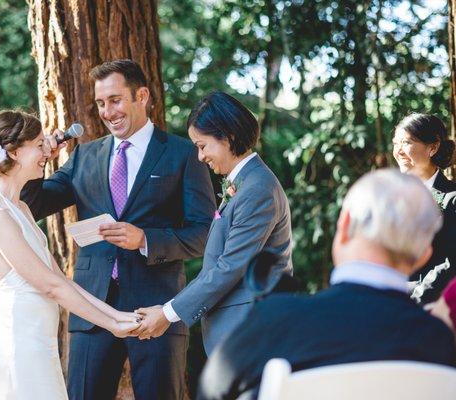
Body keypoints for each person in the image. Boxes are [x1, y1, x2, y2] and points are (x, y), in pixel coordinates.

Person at [21, 59, 216, 400]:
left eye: (115, 100)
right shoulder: (84, 157)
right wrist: (39, 161)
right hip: (91, 308)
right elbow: (31, 205)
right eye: (100, 103)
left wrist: (146, 239)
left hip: (155, 311)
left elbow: (204, 234)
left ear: (142, 96)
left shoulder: (183, 154)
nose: (108, 112)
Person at [198, 169, 456, 400]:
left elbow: (210, 393)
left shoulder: (275, 320)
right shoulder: (440, 343)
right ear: (424, 254)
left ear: (343, 226)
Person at [0, 110, 139, 399]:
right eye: (38, 144)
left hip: (40, 341)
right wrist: (112, 326)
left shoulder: (20, 208)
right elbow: (51, 287)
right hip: (21, 344)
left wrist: (119, 316)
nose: (45, 151)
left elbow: (61, 280)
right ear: (13, 152)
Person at [135, 91, 293, 355]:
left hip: (252, 333)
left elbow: (229, 267)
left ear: (228, 137)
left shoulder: (257, 190)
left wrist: (168, 313)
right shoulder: (245, 184)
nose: (200, 157)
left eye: (202, 145)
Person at [392, 113, 456, 304]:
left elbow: (451, 263)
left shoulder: (452, 199)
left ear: (433, 147)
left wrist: (416, 301)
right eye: (396, 143)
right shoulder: (391, 197)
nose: (399, 151)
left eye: (406, 143)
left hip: (432, 305)